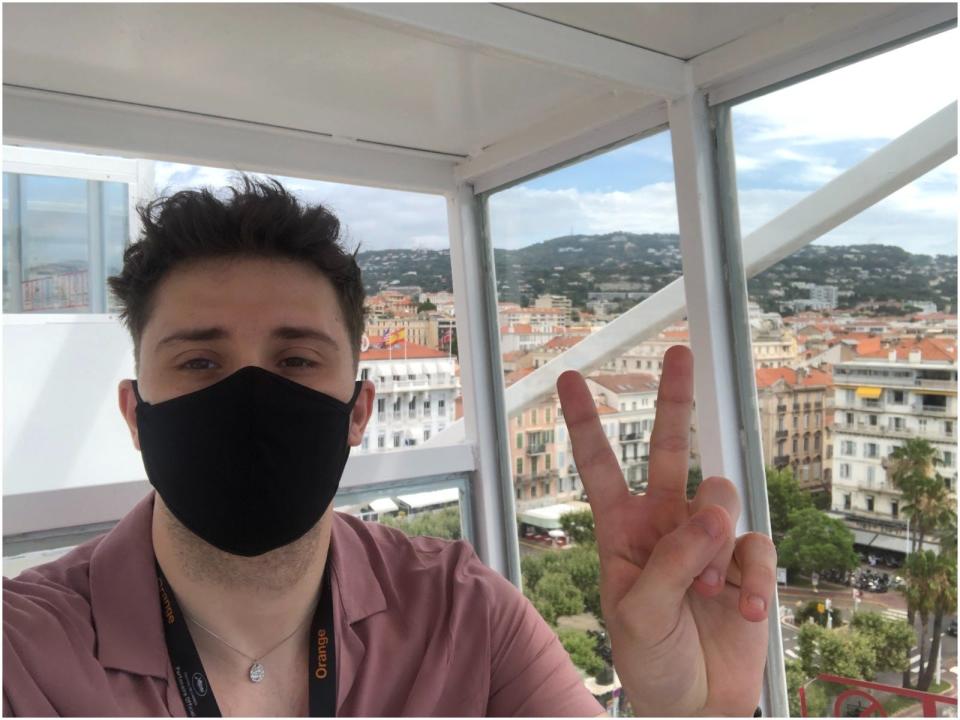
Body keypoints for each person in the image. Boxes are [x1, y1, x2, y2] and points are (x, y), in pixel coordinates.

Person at [2, 177, 776, 717]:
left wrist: (691, 715)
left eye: (297, 360)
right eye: (199, 361)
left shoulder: (464, 617)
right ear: (136, 415)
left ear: (358, 410)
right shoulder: (24, 658)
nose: (248, 397)